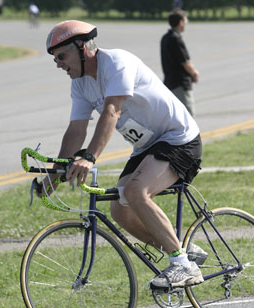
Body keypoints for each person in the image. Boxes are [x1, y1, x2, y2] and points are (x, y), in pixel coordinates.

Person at [42, 20, 204, 289]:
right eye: (54, 58)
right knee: (120, 209)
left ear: (82, 47)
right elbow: (76, 129)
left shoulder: (117, 62)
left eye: (61, 55)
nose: (58, 63)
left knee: (135, 192)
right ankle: (181, 249)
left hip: (178, 139)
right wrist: (56, 173)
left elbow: (111, 112)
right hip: (148, 147)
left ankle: (183, 265)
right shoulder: (80, 83)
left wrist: (90, 157)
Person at [161, 9, 199, 116]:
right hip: (180, 84)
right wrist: (194, 74)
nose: (186, 23)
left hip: (169, 83)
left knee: (175, 116)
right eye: (185, 21)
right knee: (188, 115)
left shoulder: (165, 38)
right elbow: (186, 62)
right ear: (181, 22)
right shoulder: (176, 39)